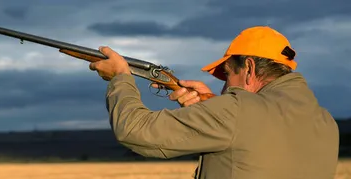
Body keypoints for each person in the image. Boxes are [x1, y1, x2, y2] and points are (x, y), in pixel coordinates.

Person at [88, 26, 339, 179]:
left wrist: (120, 77)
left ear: (249, 68)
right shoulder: (325, 121)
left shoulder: (236, 111)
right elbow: (258, 143)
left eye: (228, 74)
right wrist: (211, 107)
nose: (225, 87)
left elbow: (135, 131)